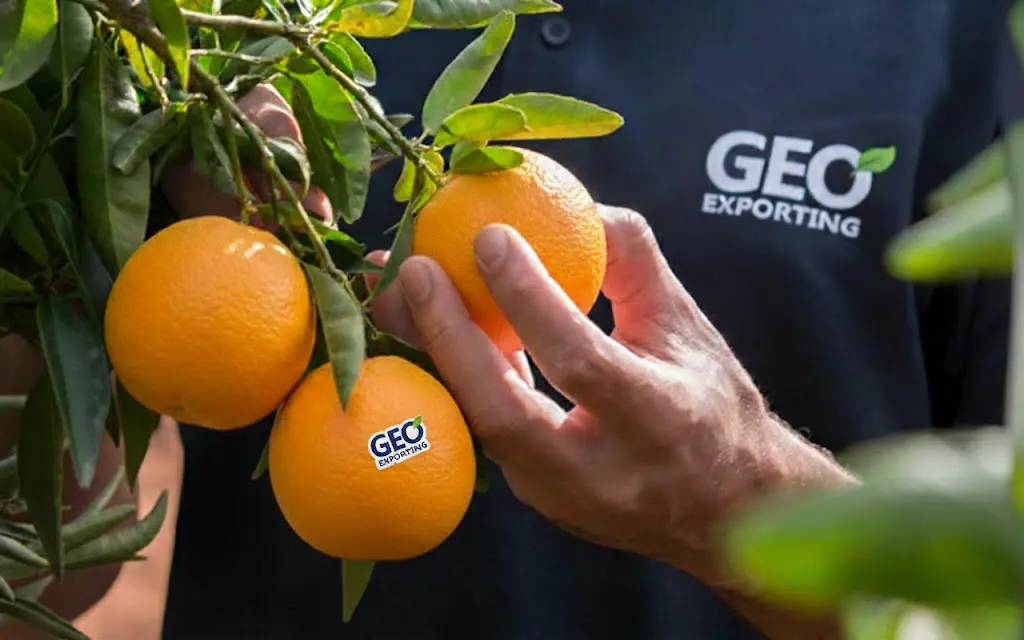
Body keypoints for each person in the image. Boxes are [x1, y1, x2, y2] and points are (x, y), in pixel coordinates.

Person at [0, 1, 1016, 638]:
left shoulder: (963, 33)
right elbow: (60, 565)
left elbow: (991, 597)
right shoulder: (235, 26)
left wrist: (734, 502)